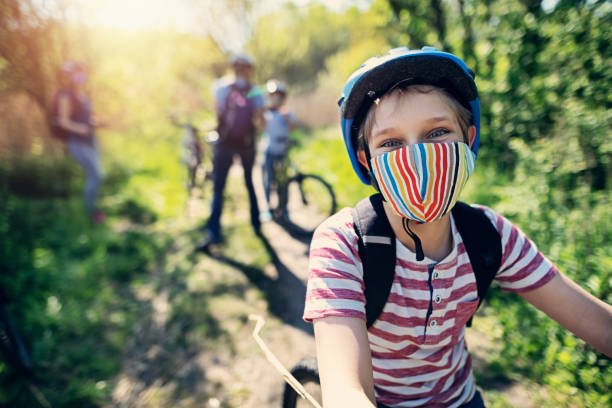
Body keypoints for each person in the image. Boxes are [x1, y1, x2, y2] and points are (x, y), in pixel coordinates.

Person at [302, 46, 612, 408]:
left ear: (467, 140)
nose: (416, 157)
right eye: (390, 143)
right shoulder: (344, 243)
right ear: (366, 162)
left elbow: (595, 321)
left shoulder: (488, 234)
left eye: (436, 133)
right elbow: (344, 391)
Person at [197, 54, 265, 251]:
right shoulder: (255, 92)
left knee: (218, 187)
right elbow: (259, 123)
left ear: (233, 68)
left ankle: (213, 231)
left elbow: (217, 112)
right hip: (246, 145)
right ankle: (256, 223)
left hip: (224, 144)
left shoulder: (221, 87)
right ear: (250, 70)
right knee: (250, 183)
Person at [54, 61, 105, 223]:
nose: (80, 76)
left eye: (81, 72)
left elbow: (87, 117)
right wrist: (81, 128)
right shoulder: (65, 96)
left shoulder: (83, 95)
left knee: (97, 176)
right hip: (78, 142)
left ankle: (93, 210)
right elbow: (63, 121)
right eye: (76, 73)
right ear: (68, 76)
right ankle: (90, 213)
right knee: (96, 176)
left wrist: (96, 122)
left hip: (91, 141)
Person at [259, 79, 297, 222]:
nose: (275, 98)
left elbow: (292, 128)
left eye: (278, 95)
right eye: (272, 95)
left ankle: (284, 209)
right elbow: (260, 126)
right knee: (269, 181)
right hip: (269, 151)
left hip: (283, 152)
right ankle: (268, 208)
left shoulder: (286, 114)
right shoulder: (266, 114)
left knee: (283, 182)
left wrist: (286, 118)